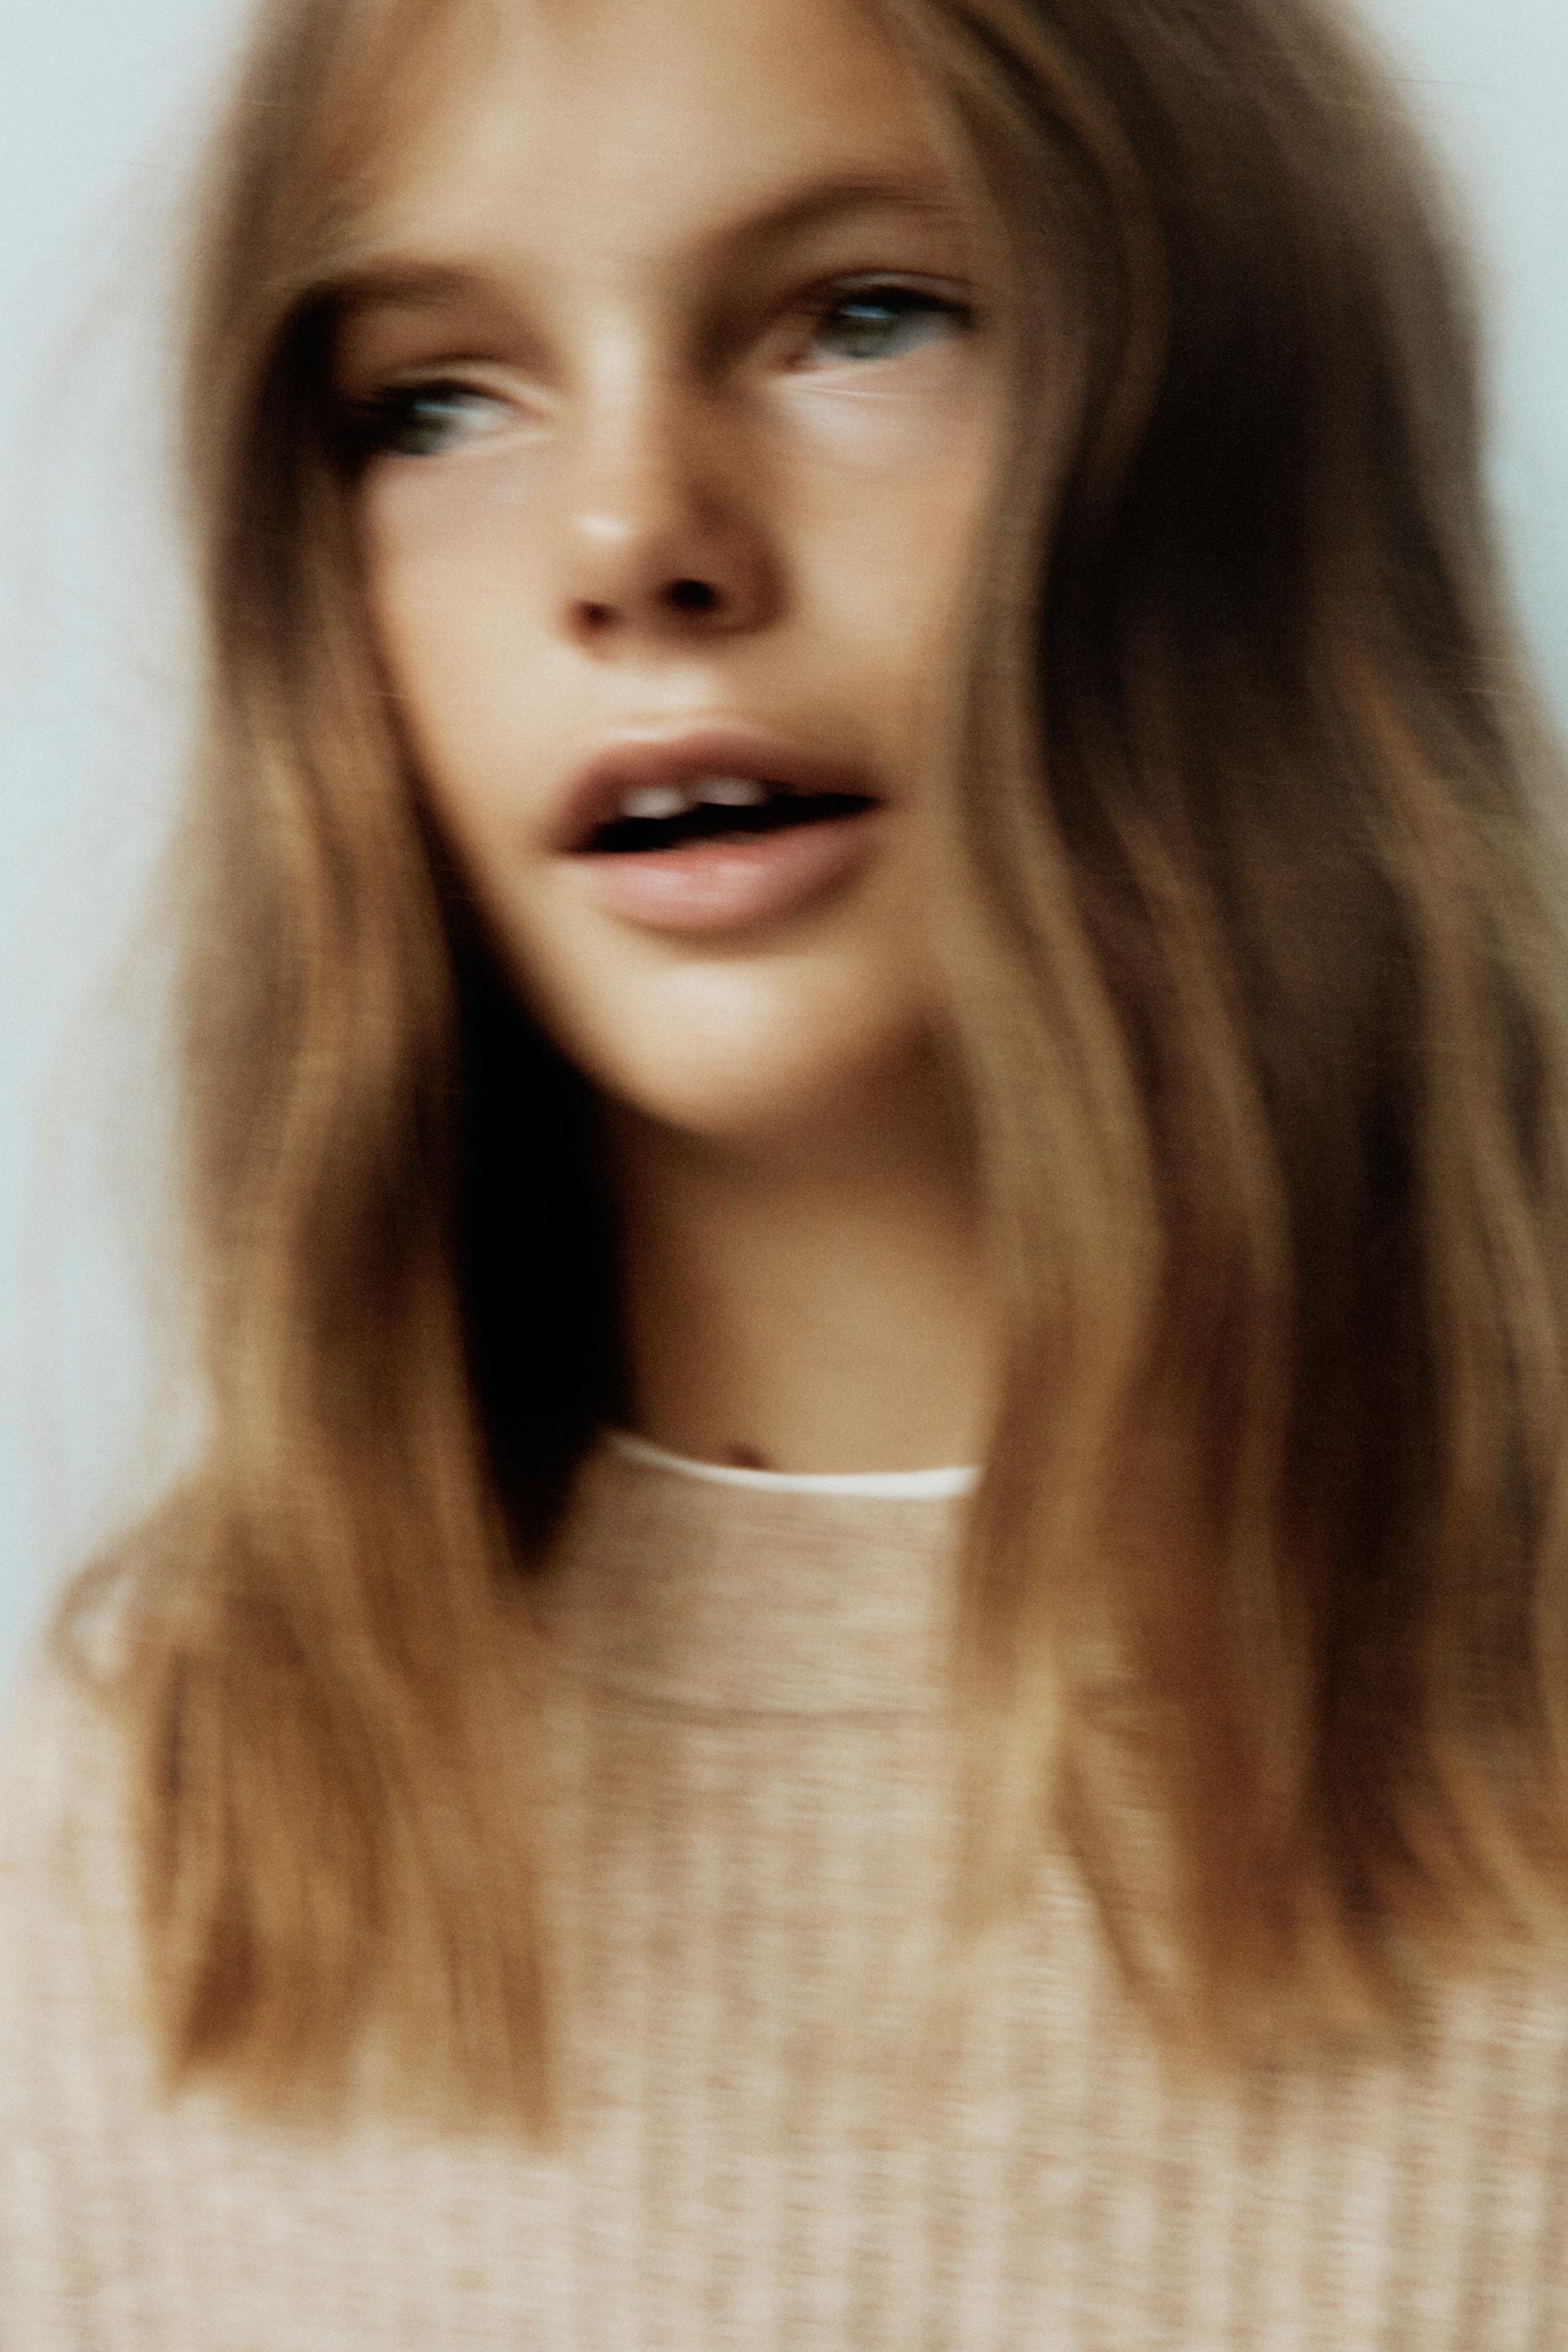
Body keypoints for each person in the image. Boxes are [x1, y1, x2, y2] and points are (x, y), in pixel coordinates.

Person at [4, 0, 1568, 2339]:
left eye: (864, 316)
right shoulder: (136, 1878)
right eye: (438, 400)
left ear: (1249, 444)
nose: (634, 539)